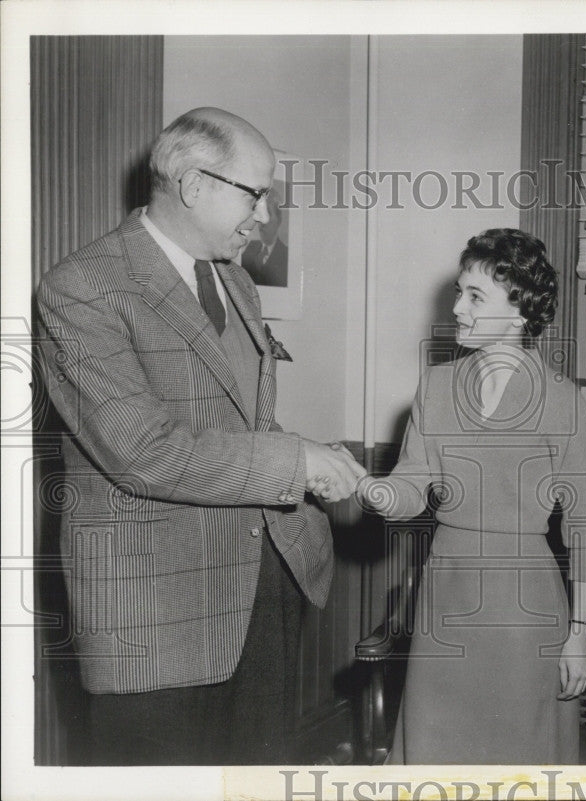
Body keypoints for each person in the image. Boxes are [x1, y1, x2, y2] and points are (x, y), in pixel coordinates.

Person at [35, 107, 365, 765]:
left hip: (263, 592)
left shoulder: (234, 279)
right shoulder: (84, 287)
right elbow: (144, 451)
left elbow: (240, 418)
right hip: (155, 615)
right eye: (256, 193)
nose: (266, 216)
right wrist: (297, 460)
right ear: (192, 185)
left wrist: (315, 465)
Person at [354, 229, 586, 764]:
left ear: (520, 311)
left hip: (525, 612)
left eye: (475, 296)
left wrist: (580, 633)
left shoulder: (563, 401)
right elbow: (411, 484)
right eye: (458, 292)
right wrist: (373, 489)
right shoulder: (437, 386)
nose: (457, 308)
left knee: (517, 757)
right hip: (445, 595)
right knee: (435, 751)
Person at [241, 189, 289, 287]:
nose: (261, 221)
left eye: (268, 214)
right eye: (259, 213)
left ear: (279, 220)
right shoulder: (251, 247)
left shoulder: (285, 254)